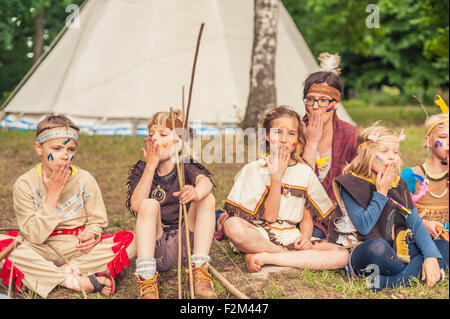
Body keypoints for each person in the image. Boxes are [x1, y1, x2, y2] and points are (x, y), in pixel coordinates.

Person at [0, 115, 136, 298]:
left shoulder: (85, 179)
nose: (65, 154)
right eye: (56, 148)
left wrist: (93, 234)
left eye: (70, 149)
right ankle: (72, 280)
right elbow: (34, 236)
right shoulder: (24, 184)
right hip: (38, 249)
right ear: (38, 148)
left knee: (131, 239)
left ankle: (43, 275)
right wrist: (53, 194)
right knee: (3, 244)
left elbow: (97, 221)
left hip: (76, 249)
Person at [221, 106, 349, 273]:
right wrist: (276, 178)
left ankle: (265, 257)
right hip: (260, 234)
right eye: (277, 133)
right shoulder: (254, 169)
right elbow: (270, 216)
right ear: (267, 136)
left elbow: (306, 216)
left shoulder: (304, 172)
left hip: (290, 235)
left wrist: (305, 238)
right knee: (232, 226)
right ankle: (282, 254)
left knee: (341, 254)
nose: (284, 139)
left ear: (297, 138)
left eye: (291, 134)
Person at [328, 124, 448, 290]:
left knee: (442, 246)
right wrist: (381, 192)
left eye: (395, 152)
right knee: (377, 246)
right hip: (364, 250)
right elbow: (364, 226)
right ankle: (411, 273)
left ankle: (387, 281)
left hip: (396, 249)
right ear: (366, 154)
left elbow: (415, 223)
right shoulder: (350, 183)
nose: (392, 157)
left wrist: (430, 257)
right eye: (384, 151)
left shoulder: (399, 184)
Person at [126, 110, 217, 299]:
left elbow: (205, 182)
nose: (155, 139)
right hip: (155, 248)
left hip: (185, 247)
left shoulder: (185, 165)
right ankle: (147, 280)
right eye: (151, 135)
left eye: (163, 134)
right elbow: (136, 205)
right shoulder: (142, 169)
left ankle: (200, 273)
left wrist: (195, 192)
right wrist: (151, 165)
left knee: (206, 198)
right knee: (149, 204)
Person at [300, 52, 359, 238]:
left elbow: (358, 183)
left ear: (336, 103)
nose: (315, 106)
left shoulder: (349, 134)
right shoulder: (294, 131)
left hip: (335, 214)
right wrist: (310, 143)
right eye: (310, 99)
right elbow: (299, 185)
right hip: (297, 211)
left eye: (323, 100)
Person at [401, 112, 449, 238]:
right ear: (428, 141)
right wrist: (423, 223)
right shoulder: (411, 175)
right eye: (443, 137)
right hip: (421, 241)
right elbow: (398, 212)